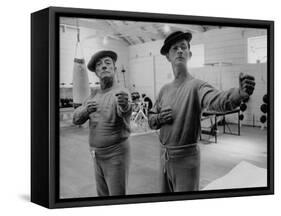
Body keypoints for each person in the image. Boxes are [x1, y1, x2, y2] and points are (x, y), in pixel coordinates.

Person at [148, 31, 255, 193]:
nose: (179, 51)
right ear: (168, 57)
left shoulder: (197, 86)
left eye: (183, 47)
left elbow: (217, 100)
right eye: (174, 48)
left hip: (186, 161)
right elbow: (150, 119)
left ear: (189, 54)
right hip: (164, 158)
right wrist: (159, 118)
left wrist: (238, 93)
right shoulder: (164, 90)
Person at [73, 50, 132, 196]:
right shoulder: (93, 95)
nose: (103, 66)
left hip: (116, 156)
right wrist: (84, 110)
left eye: (107, 63)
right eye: (99, 65)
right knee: (102, 197)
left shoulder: (121, 92)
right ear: (96, 72)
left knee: (116, 198)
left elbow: (124, 110)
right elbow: (75, 119)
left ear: (115, 68)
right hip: (96, 156)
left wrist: (125, 105)